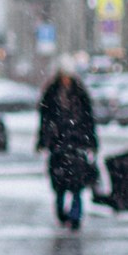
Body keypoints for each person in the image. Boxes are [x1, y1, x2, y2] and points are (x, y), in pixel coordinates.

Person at [39, 68, 99, 230]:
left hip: (76, 146)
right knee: (60, 186)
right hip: (58, 147)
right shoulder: (51, 95)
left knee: (77, 185)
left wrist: (91, 143)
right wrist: (44, 140)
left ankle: (75, 217)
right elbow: (44, 120)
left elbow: (89, 121)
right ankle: (62, 214)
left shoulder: (80, 95)